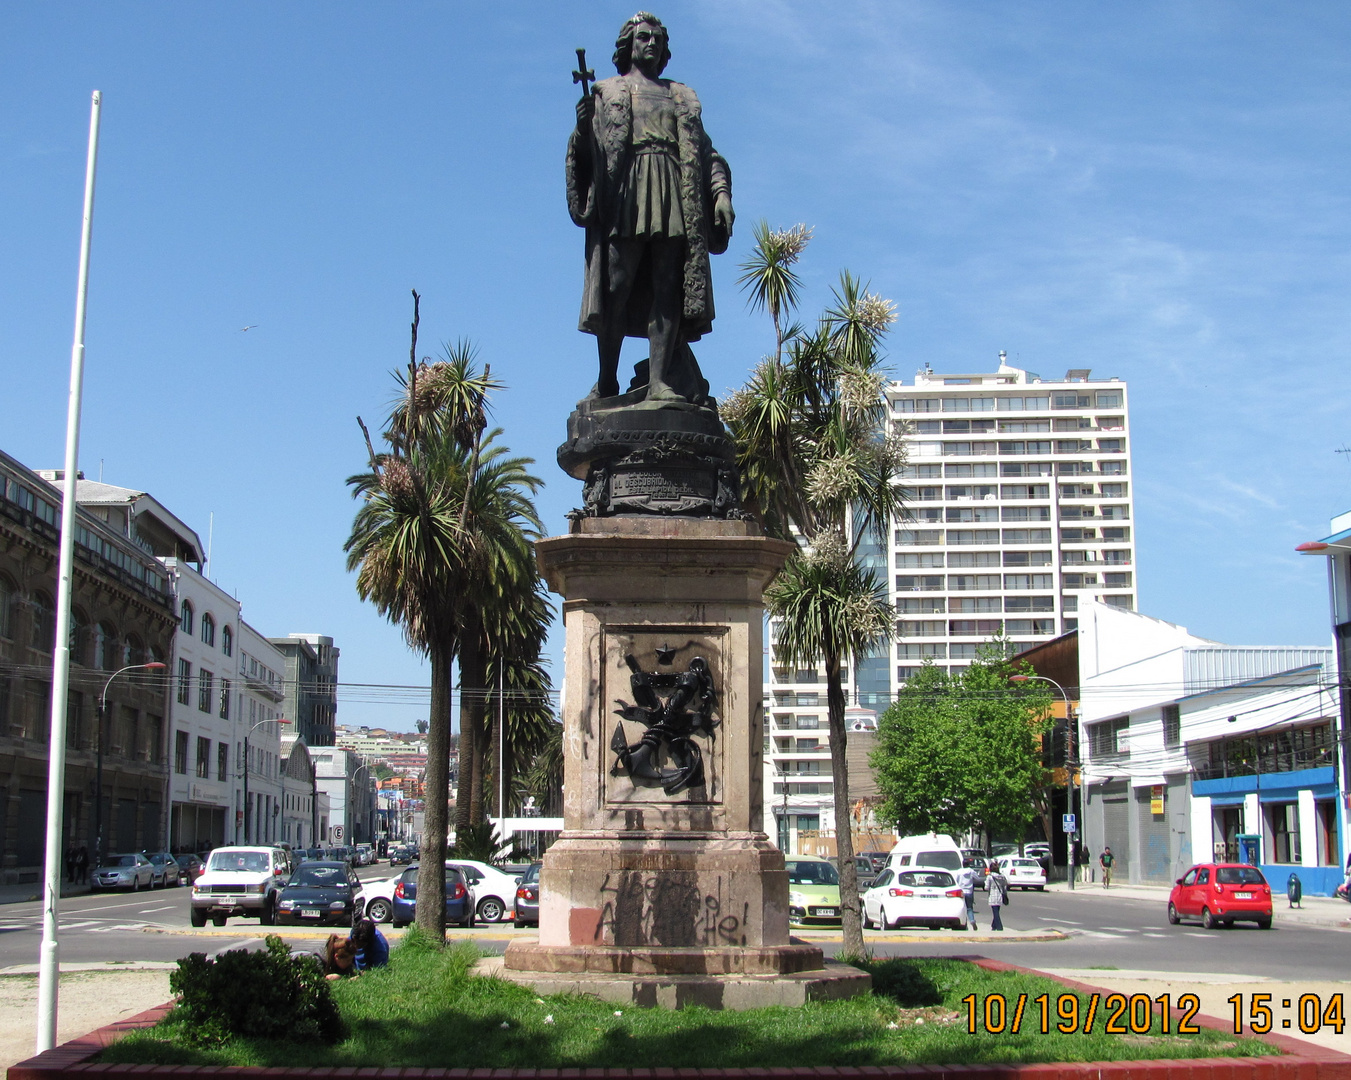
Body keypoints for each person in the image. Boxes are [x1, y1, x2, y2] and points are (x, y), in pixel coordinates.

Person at [567, 12, 734, 404]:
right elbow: (587, 153)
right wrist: (580, 130)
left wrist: (721, 191)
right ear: (628, 44)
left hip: (674, 190)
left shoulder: (681, 97)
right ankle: (607, 378)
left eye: (657, 38)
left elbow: (707, 153)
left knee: (668, 288)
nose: (651, 44)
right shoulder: (607, 91)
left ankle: (659, 380)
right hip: (627, 191)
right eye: (643, 37)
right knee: (616, 285)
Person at [986, 860, 1009, 931]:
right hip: (1000, 896)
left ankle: (999, 927)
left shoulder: (990, 877)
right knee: (996, 911)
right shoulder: (1002, 877)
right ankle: (994, 926)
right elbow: (1005, 887)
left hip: (992, 896)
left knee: (995, 913)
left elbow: (986, 887)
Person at [956, 860, 978, 931]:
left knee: (962, 908)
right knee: (969, 908)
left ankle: (963, 924)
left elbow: (956, 881)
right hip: (969, 891)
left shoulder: (959, 871)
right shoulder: (971, 871)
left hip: (961, 891)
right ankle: (972, 920)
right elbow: (978, 878)